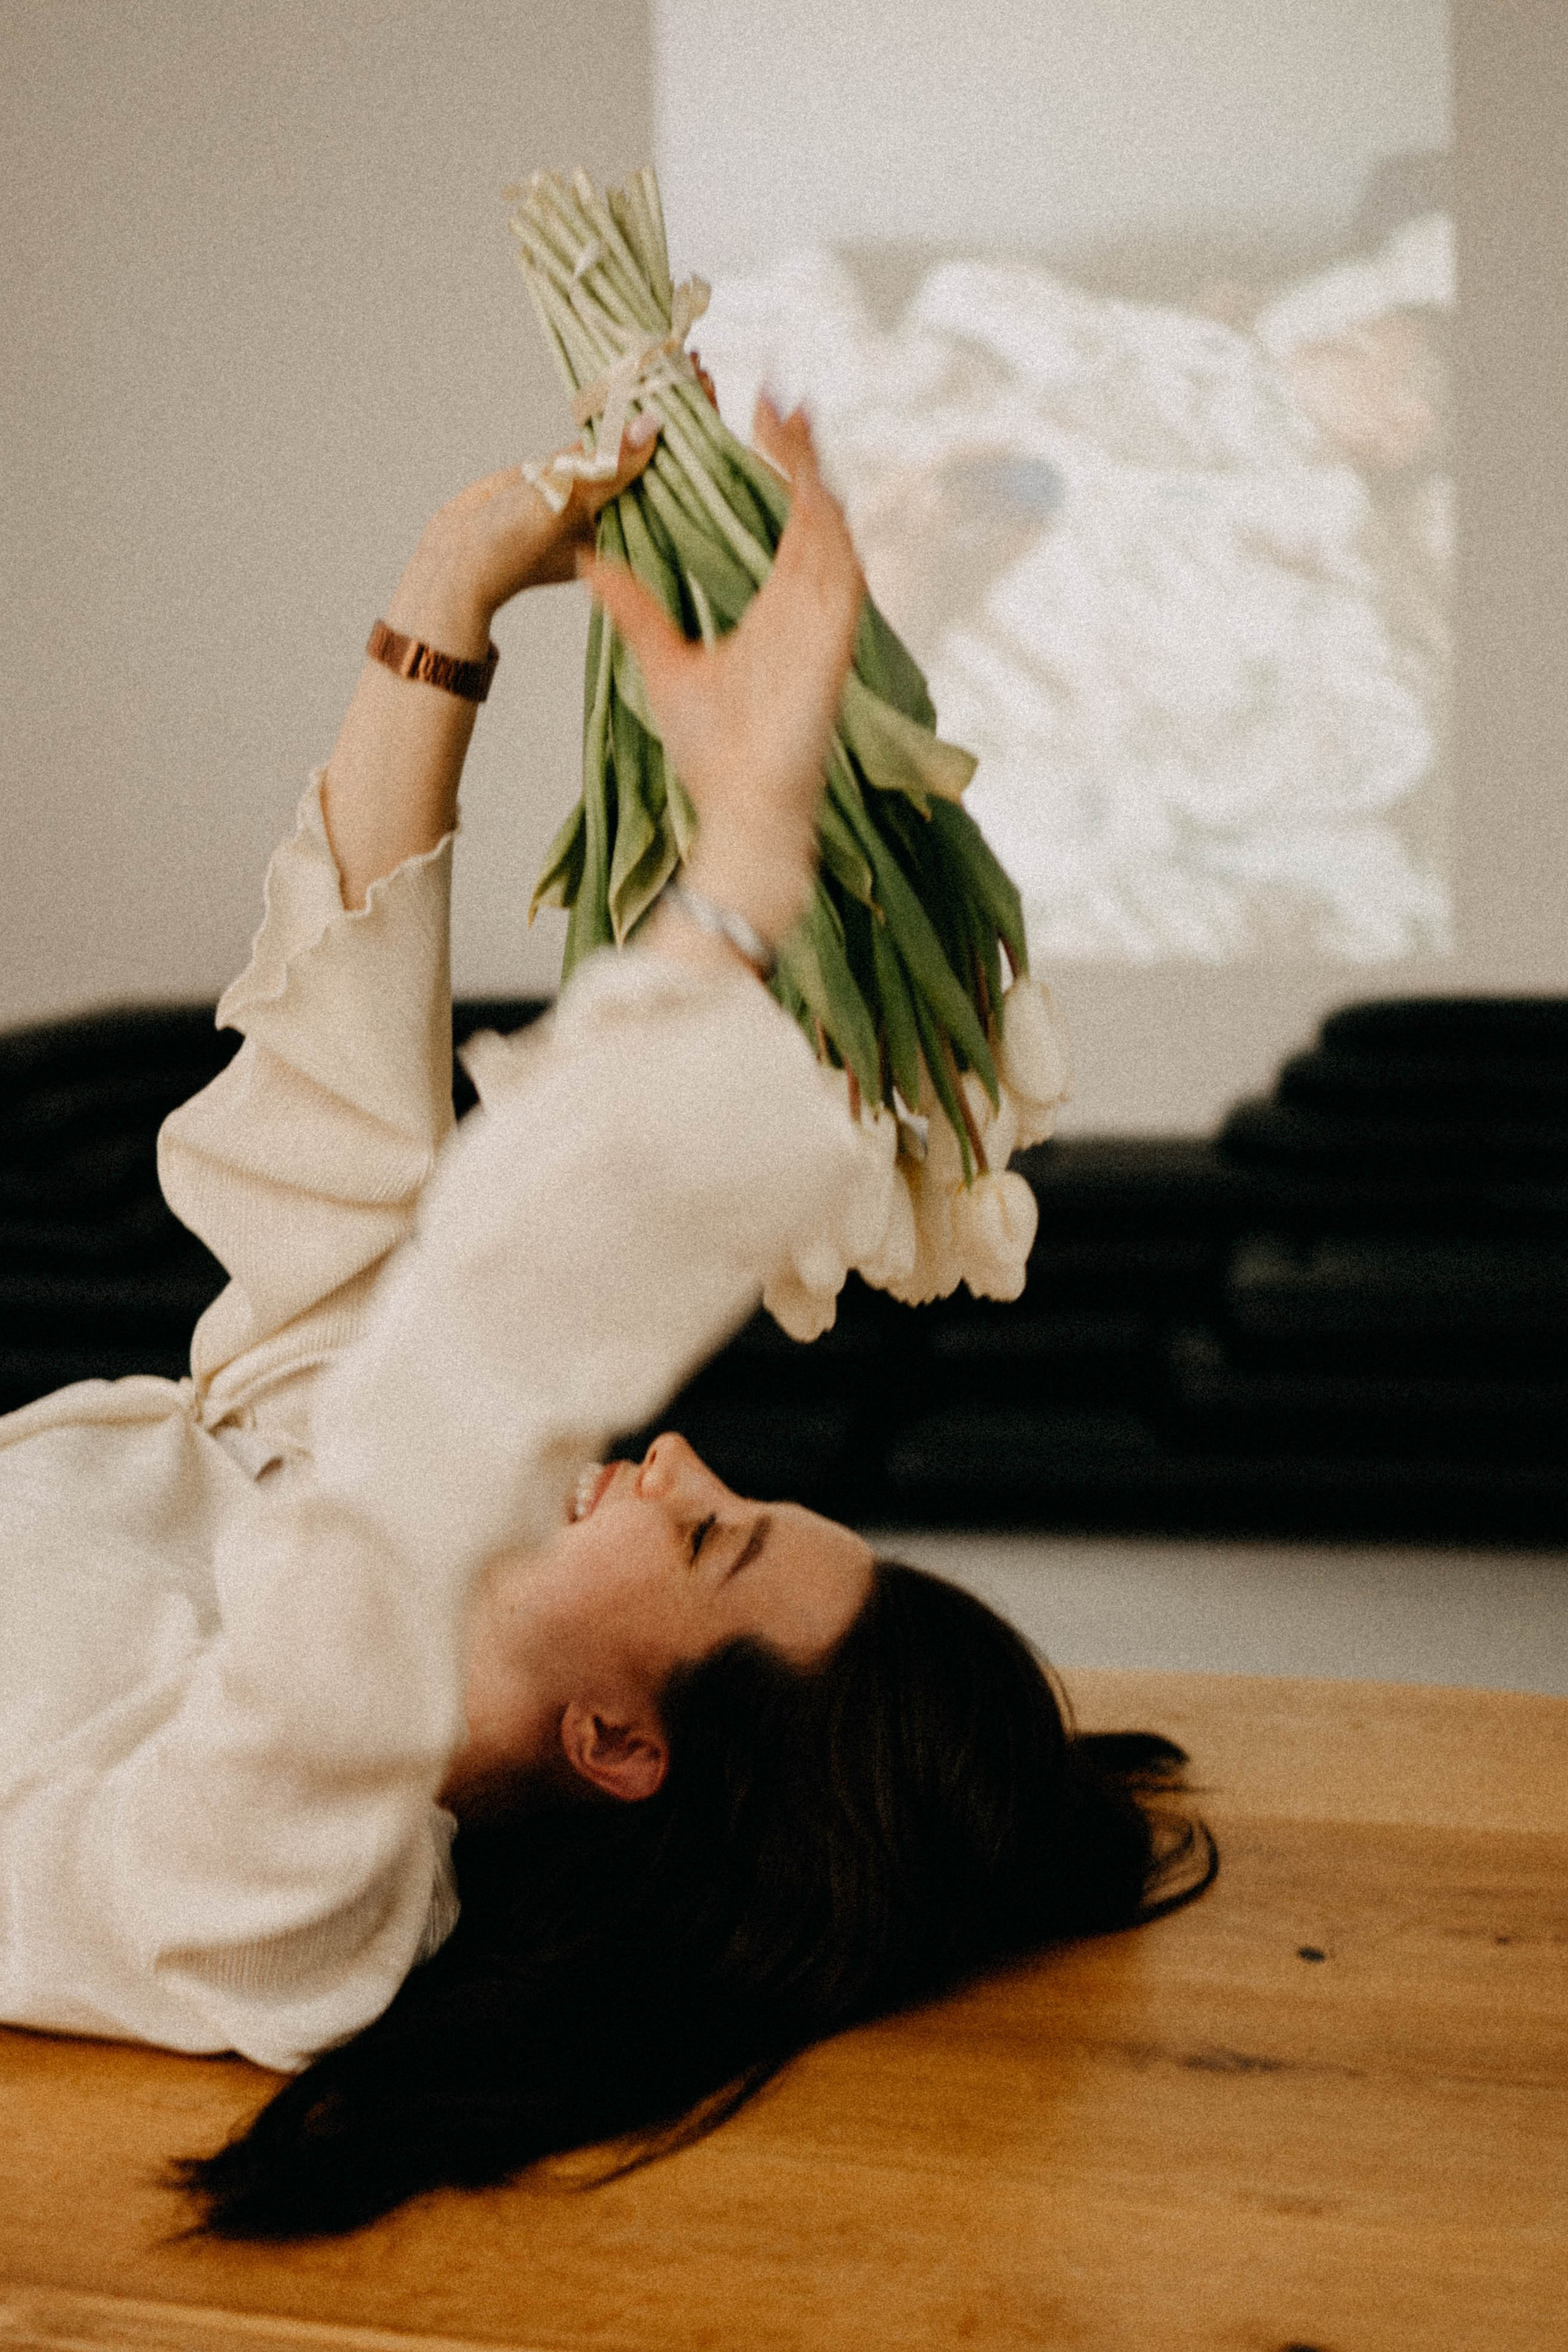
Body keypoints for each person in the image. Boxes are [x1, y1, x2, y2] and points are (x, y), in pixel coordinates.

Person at [0, 391, 1213, 2241]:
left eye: (713, 1535)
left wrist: (741, 881)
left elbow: (442, 1400)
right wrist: (452, 596)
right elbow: (335, 1151)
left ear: (622, 1748)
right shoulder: (351, 1553)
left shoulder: (286, 1894)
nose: (673, 1460)